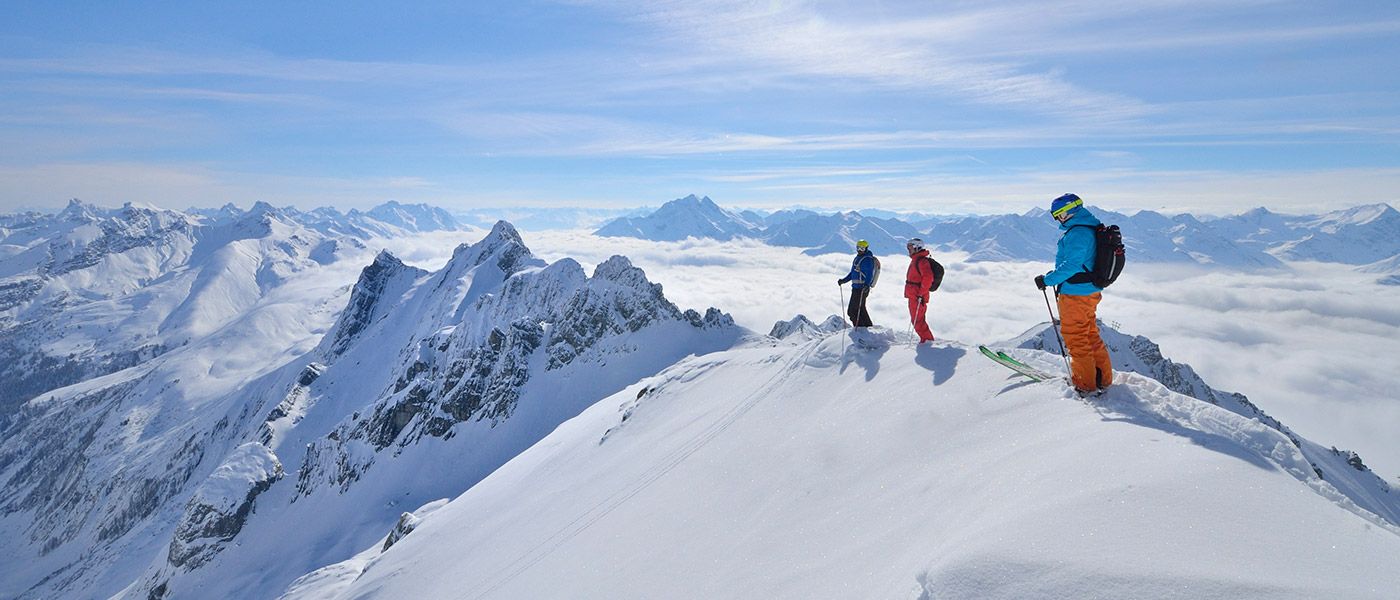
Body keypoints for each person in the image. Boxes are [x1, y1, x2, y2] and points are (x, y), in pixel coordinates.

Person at [1035, 193, 1114, 395]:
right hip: (1089, 291)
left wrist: (1048, 280)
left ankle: (1085, 384)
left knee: (1076, 338)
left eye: (1058, 215)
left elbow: (1072, 264)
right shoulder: (1089, 228)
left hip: (1075, 294)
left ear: (1068, 212)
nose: (1058, 220)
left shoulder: (1078, 233)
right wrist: (1054, 275)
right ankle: (1102, 379)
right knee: (1089, 334)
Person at [903, 238, 937, 343]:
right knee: (916, 320)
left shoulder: (922, 261)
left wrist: (921, 293)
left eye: (911, 247)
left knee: (918, 321)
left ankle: (927, 341)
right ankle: (926, 340)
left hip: (918, 296)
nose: (909, 250)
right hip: (915, 295)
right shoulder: (916, 260)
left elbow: (928, 277)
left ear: (917, 247)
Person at [837, 239, 877, 327]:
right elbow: (853, 273)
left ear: (866, 248)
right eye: (858, 248)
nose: (860, 250)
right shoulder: (858, 258)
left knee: (852, 311)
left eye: (862, 248)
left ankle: (860, 329)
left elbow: (869, 273)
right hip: (856, 288)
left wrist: (866, 286)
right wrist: (844, 280)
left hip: (861, 289)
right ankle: (868, 327)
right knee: (861, 309)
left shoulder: (867, 260)